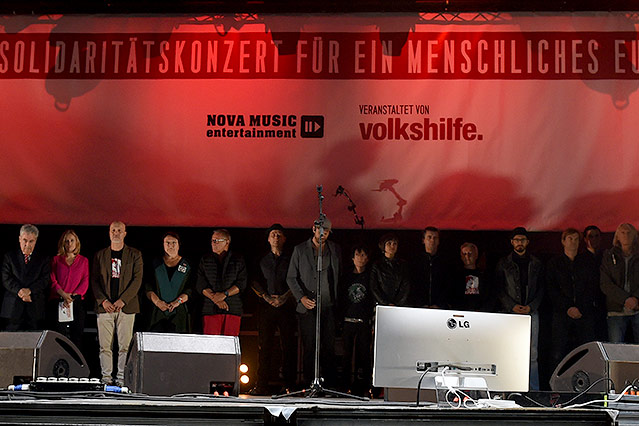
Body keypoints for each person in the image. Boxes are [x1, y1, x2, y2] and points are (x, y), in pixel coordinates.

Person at [286, 217, 341, 387]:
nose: (322, 233)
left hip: (328, 305)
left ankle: (329, 384)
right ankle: (309, 383)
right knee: (310, 346)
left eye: (326, 231)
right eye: (319, 229)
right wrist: (301, 298)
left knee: (329, 347)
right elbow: (291, 277)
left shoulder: (335, 249)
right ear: (313, 229)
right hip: (308, 306)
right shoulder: (300, 250)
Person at [91, 221, 143, 386]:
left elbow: (137, 280)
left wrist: (123, 300)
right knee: (105, 346)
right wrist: (103, 301)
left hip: (126, 307)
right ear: (109, 232)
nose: (116, 233)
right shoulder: (100, 255)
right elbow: (94, 280)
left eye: (119, 230)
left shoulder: (135, 255)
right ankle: (106, 379)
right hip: (105, 307)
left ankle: (121, 379)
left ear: (125, 233)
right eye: (113, 230)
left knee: (124, 347)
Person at [249, 224, 296, 395]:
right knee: (264, 346)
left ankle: (289, 385)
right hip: (266, 306)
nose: (276, 237)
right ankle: (261, 385)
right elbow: (254, 281)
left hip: (287, 306)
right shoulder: (261, 258)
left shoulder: (292, 258)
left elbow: (298, 280)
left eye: (279, 235)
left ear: (284, 239)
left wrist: (284, 297)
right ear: (268, 239)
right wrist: (266, 297)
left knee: (288, 346)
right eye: (273, 234)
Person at [494, 227, 544, 390]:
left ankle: (532, 389)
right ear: (511, 242)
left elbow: (542, 289)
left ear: (527, 242)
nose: (519, 243)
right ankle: (509, 387)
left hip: (531, 312)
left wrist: (531, 306)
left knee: (532, 354)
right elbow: (498, 289)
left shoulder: (536, 263)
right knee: (508, 352)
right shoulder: (503, 263)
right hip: (510, 312)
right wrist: (512, 306)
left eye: (522, 240)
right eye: (516, 240)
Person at [546, 228, 597, 370]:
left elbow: (592, 287)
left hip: (584, 312)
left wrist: (581, 307)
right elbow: (551, 289)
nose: (573, 242)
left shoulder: (587, 262)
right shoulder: (554, 263)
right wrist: (567, 307)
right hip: (562, 313)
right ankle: (555, 389)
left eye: (576, 239)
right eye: (570, 239)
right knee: (558, 351)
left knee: (586, 350)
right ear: (563, 241)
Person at [196, 229, 247, 336]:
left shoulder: (238, 259)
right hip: (210, 309)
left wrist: (224, 294)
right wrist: (215, 299)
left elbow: (241, 283)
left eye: (217, 240)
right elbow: (200, 284)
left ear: (227, 242)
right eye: (212, 240)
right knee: (211, 345)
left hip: (232, 308)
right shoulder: (205, 259)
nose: (214, 243)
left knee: (229, 345)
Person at [339, 244, 373, 396]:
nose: (361, 258)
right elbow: (340, 298)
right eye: (358, 255)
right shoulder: (346, 277)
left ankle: (365, 386)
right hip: (348, 320)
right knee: (346, 355)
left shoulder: (370, 276)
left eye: (364, 255)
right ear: (352, 258)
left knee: (364, 355)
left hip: (363, 321)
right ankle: (345, 385)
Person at [1, 224, 50, 331]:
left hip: (35, 307)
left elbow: (45, 280)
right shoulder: (9, 257)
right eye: (25, 240)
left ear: (36, 240)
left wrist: (30, 291)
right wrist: (20, 291)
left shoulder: (43, 259)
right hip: (12, 308)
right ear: (19, 239)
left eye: (31, 241)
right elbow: (6, 278)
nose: (27, 244)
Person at [145, 231, 192, 333]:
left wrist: (176, 302)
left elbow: (189, 290)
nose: (170, 245)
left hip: (178, 312)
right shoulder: (155, 263)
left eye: (174, 242)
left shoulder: (187, 265)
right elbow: (148, 287)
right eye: (167, 242)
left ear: (179, 245)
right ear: (163, 244)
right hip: (157, 312)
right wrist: (158, 302)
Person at [600, 223, 639, 343]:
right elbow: (605, 283)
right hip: (615, 310)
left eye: (629, 233)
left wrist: (636, 298)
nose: (626, 235)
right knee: (616, 350)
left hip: (638, 308)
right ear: (617, 236)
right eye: (622, 233)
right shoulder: (608, 255)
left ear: (635, 236)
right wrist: (625, 299)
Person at [50, 229, 89, 348]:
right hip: (58, 300)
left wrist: (72, 296)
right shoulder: (56, 260)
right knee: (58, 336)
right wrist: (63, 294)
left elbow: (85, 280)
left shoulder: (83, 261)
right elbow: (52, 279)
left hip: (76, 302)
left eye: (72, 240)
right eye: (66, 241)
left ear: (76, 243)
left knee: (76, 336)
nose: (69, 243)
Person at [411, 226, 448, 308]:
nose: (432, 240)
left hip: (439, 308)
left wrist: (439, 304)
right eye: (429, 237)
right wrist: (420, 304)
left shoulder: (445, 262)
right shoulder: (415, 261)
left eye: (435, 238)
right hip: (419, 307)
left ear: (438, 241)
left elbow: (448, 285)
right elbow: (412, 285)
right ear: (423, 240)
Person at [369, 233, 411, 307]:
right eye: (389, 243)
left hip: (399, 305)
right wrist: (385, 303)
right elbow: (374, 287)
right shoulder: (377, 265)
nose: (392, 246)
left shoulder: (403, 264)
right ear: (383, 246)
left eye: (395, 243)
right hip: (382, 304)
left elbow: (406, 285)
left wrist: (397, 303)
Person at [451, 242, 493, 312]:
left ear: (476, 255)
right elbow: (452, 296)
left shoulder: (485, 275)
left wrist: (483, 310)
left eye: (470, 253)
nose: (467, 256)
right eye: (464, 254)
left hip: (481, 314)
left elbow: (490, 296)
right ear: (461, 257)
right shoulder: (455, 276)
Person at [583, 225, 607, 341]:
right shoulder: (580, 259)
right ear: (585, 239)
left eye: (596, 236)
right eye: (590, 236)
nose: (594, 239)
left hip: (604, 304)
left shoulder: (606, 256)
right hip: (587, 307)